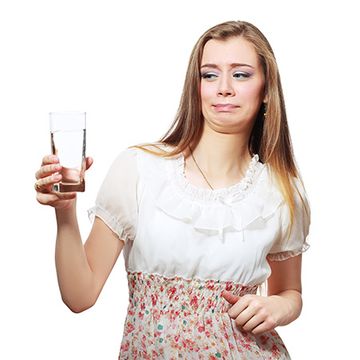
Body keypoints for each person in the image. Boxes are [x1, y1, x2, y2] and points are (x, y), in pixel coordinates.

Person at [35, 20, 311, 359]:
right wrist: (64, 213)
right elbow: (80, 296)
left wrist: (279, 307)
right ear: (195, 87)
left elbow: (290, 291)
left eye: (240, 74)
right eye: (209, 75)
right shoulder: (140, 168)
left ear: (267, 88)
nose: (224, 88)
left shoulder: (282, 191)